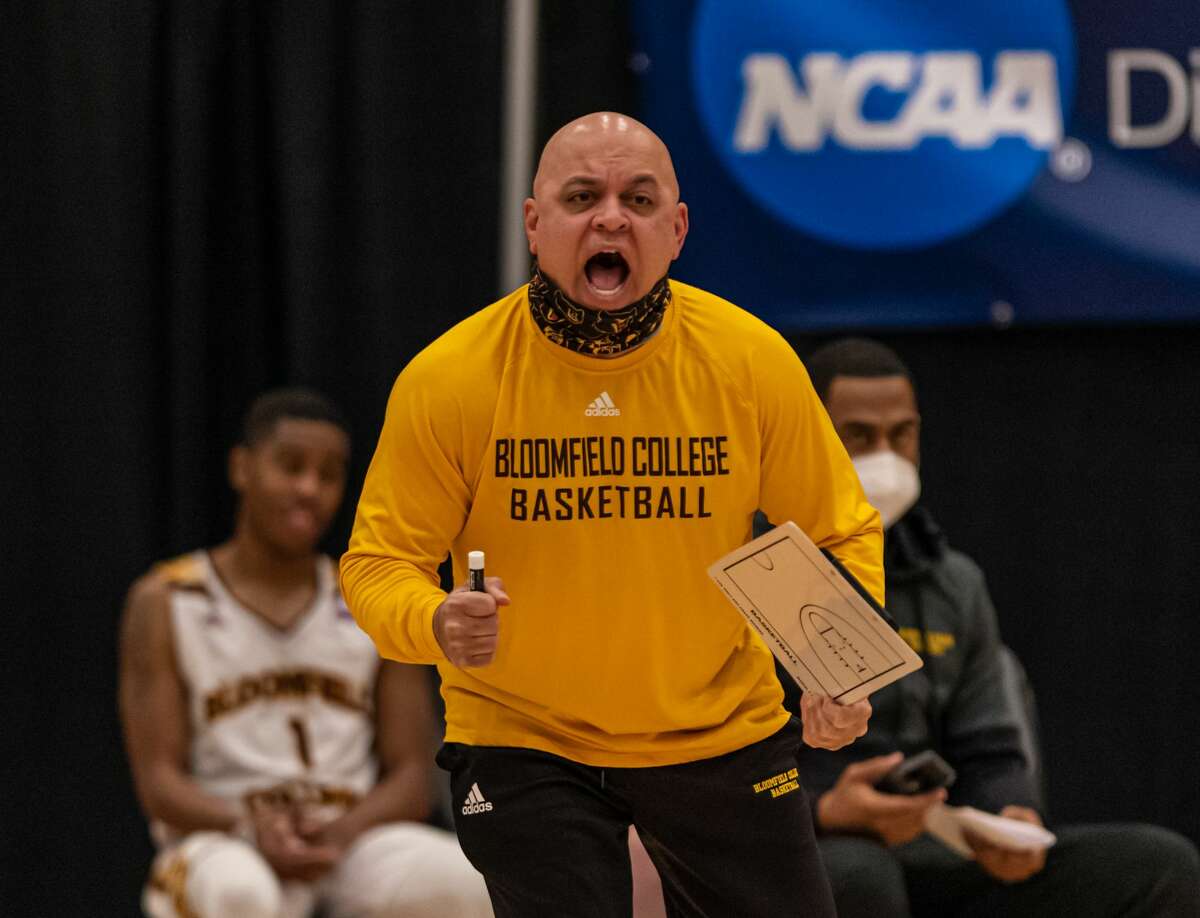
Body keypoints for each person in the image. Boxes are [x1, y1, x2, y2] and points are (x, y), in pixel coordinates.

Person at [340, 112, 879, 917]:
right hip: (525, 737)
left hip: (719, 729)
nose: (610, 218)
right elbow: (378, 564)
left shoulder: (750, 362)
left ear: (677, 228)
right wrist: (435, 622)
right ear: (534, 223)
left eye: (638, 197)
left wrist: (840, 673)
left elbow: (838, 529)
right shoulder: (449, 379)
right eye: (581, 196)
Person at [789, 337, 1200, 918]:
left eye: (901, 434)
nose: (886, 456)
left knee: (1161, 866)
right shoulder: (763, 568)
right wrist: (824, 810)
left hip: (939, 852)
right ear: (809, 437)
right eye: (859, 436)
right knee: (861, 874)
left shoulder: (955, 583)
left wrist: (1011, 817)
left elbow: (994, 750)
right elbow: (715, 763)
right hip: (809, 852)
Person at [119, 388, 492, 918]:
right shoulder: (166, 599)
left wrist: (341, 834)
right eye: (291, 467)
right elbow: (159, 779)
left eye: (329, 474)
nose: (308, 490)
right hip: (223, 837)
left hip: (347, 835)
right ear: (242, 467)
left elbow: (411, 776)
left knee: (468, 881)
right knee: (241, 893)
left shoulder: (366, 599)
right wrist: (249, 826)